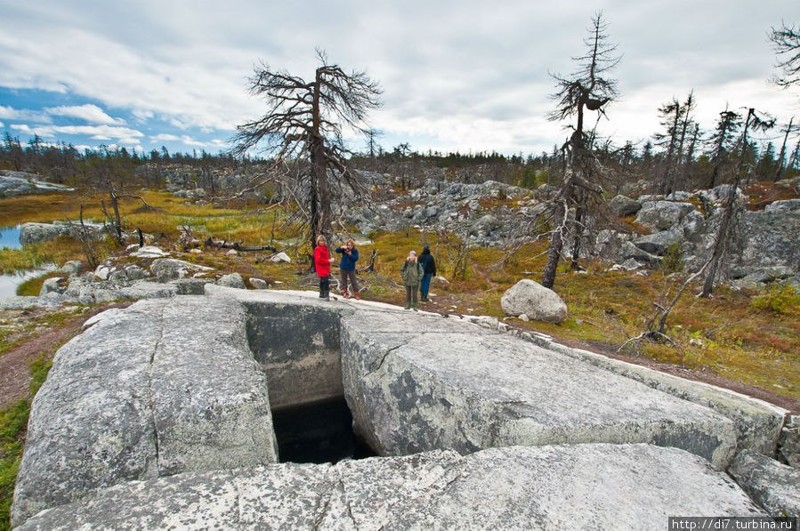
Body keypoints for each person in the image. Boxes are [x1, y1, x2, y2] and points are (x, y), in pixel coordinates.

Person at [313, 234, 335, 301]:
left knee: (323, 280)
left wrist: (329, 260)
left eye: (322, 241)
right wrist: (328, 260)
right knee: (325, 280)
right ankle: (326, 295)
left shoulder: (326, 248)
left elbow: (326, 257)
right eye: (320, 241)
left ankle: (322, 293)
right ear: (318, 242)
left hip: (326, 266)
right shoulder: (317, 249)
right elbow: (318, 260)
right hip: (320, 267)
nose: (321, 242)